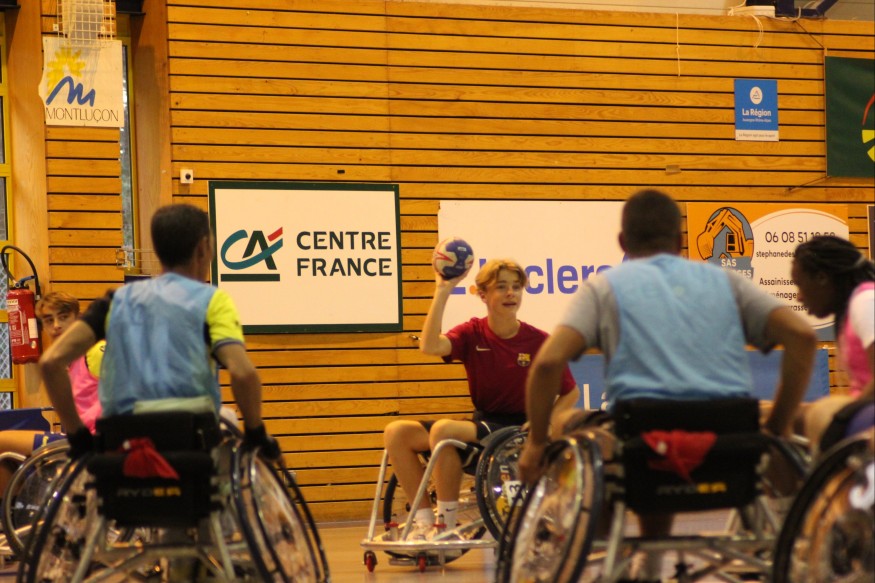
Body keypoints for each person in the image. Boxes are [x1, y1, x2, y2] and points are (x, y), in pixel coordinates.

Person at [519, 189, 817, 581]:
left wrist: (536, 443)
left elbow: (547, 364)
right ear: (680, 240)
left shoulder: (604, 287)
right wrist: (778, 423)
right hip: (729, 444)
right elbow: (802, 336)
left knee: (571, 425)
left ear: (623, 242)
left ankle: (608, 548)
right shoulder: (726, 282)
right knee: (699, 426)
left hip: (646, 445)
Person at [39, 203, 279, 461]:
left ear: (158, 250)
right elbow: (243, 373)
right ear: (203, 248)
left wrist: (78, 436)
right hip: (191, 446)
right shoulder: (213, 301)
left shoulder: (115, 302)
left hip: (121, 447)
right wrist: (256, 433)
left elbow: (51, 363)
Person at [383, 258, 579, 540]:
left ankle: (446, 526)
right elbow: (430, 346)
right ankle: (424, 522)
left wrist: (543, 425)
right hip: (484, 424)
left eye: (516, 287)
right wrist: (443, 290)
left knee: (443, 430)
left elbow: (570, 391)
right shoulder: (472, 332)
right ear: (483, 295)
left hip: (516, 430)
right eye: (501, 287)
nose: (511, 293)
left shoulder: (539, 340)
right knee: (397, 432)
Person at [0, 292, 104, 496]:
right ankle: (17, 509)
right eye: (49, 320)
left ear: (77, 318)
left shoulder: (95, 352)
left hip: (93, 443)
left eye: (63, 317)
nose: (56, 325)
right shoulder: (68, 361)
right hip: (75, 438)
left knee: (2, 441)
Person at [792, 235, 874, 455]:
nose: (799, 297)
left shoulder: (866, 301)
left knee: (798, 419)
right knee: (790, 417)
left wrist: (842, 417)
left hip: (868, 413)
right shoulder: (852, 308)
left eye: (800, 285)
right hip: (866, 409)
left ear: (822, 278)